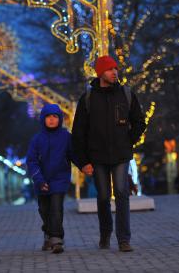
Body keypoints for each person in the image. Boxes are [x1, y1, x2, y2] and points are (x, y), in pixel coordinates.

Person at [72, 55, 146, 252]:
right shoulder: (88, 98)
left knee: (122, 193)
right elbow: (78, 132)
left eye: (116, 69)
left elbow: (140, 121)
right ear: (100, 73)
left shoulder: (126, 94)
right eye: (110, 69)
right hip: (97, 156)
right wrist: (83, 162)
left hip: (121, 154)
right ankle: (105, 233)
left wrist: (129, 140)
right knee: (104, 196)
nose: (115, 72)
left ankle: (124, 239)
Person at [26, 104, 77, 254]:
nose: (52, 119)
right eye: (48, 117)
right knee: (44, 210)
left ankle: (56, 238)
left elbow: (74, 155)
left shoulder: (66, 137)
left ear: (60, 119)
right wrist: (39, 180)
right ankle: (48, 233)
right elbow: (32, 161)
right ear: (43, 119)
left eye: (55, 116)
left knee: (56, 208)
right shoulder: (37, 139)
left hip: (60, 178)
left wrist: (85, 165)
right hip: (41, 180)